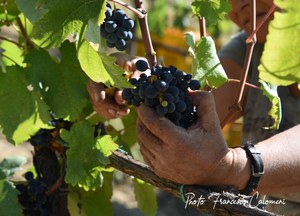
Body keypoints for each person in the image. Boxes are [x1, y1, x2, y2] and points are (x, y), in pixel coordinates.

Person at [87, 0, 300, 214]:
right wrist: (143, 80)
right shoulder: (248, 50)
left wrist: (232, 167)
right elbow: (191, 110)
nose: (238, 7)